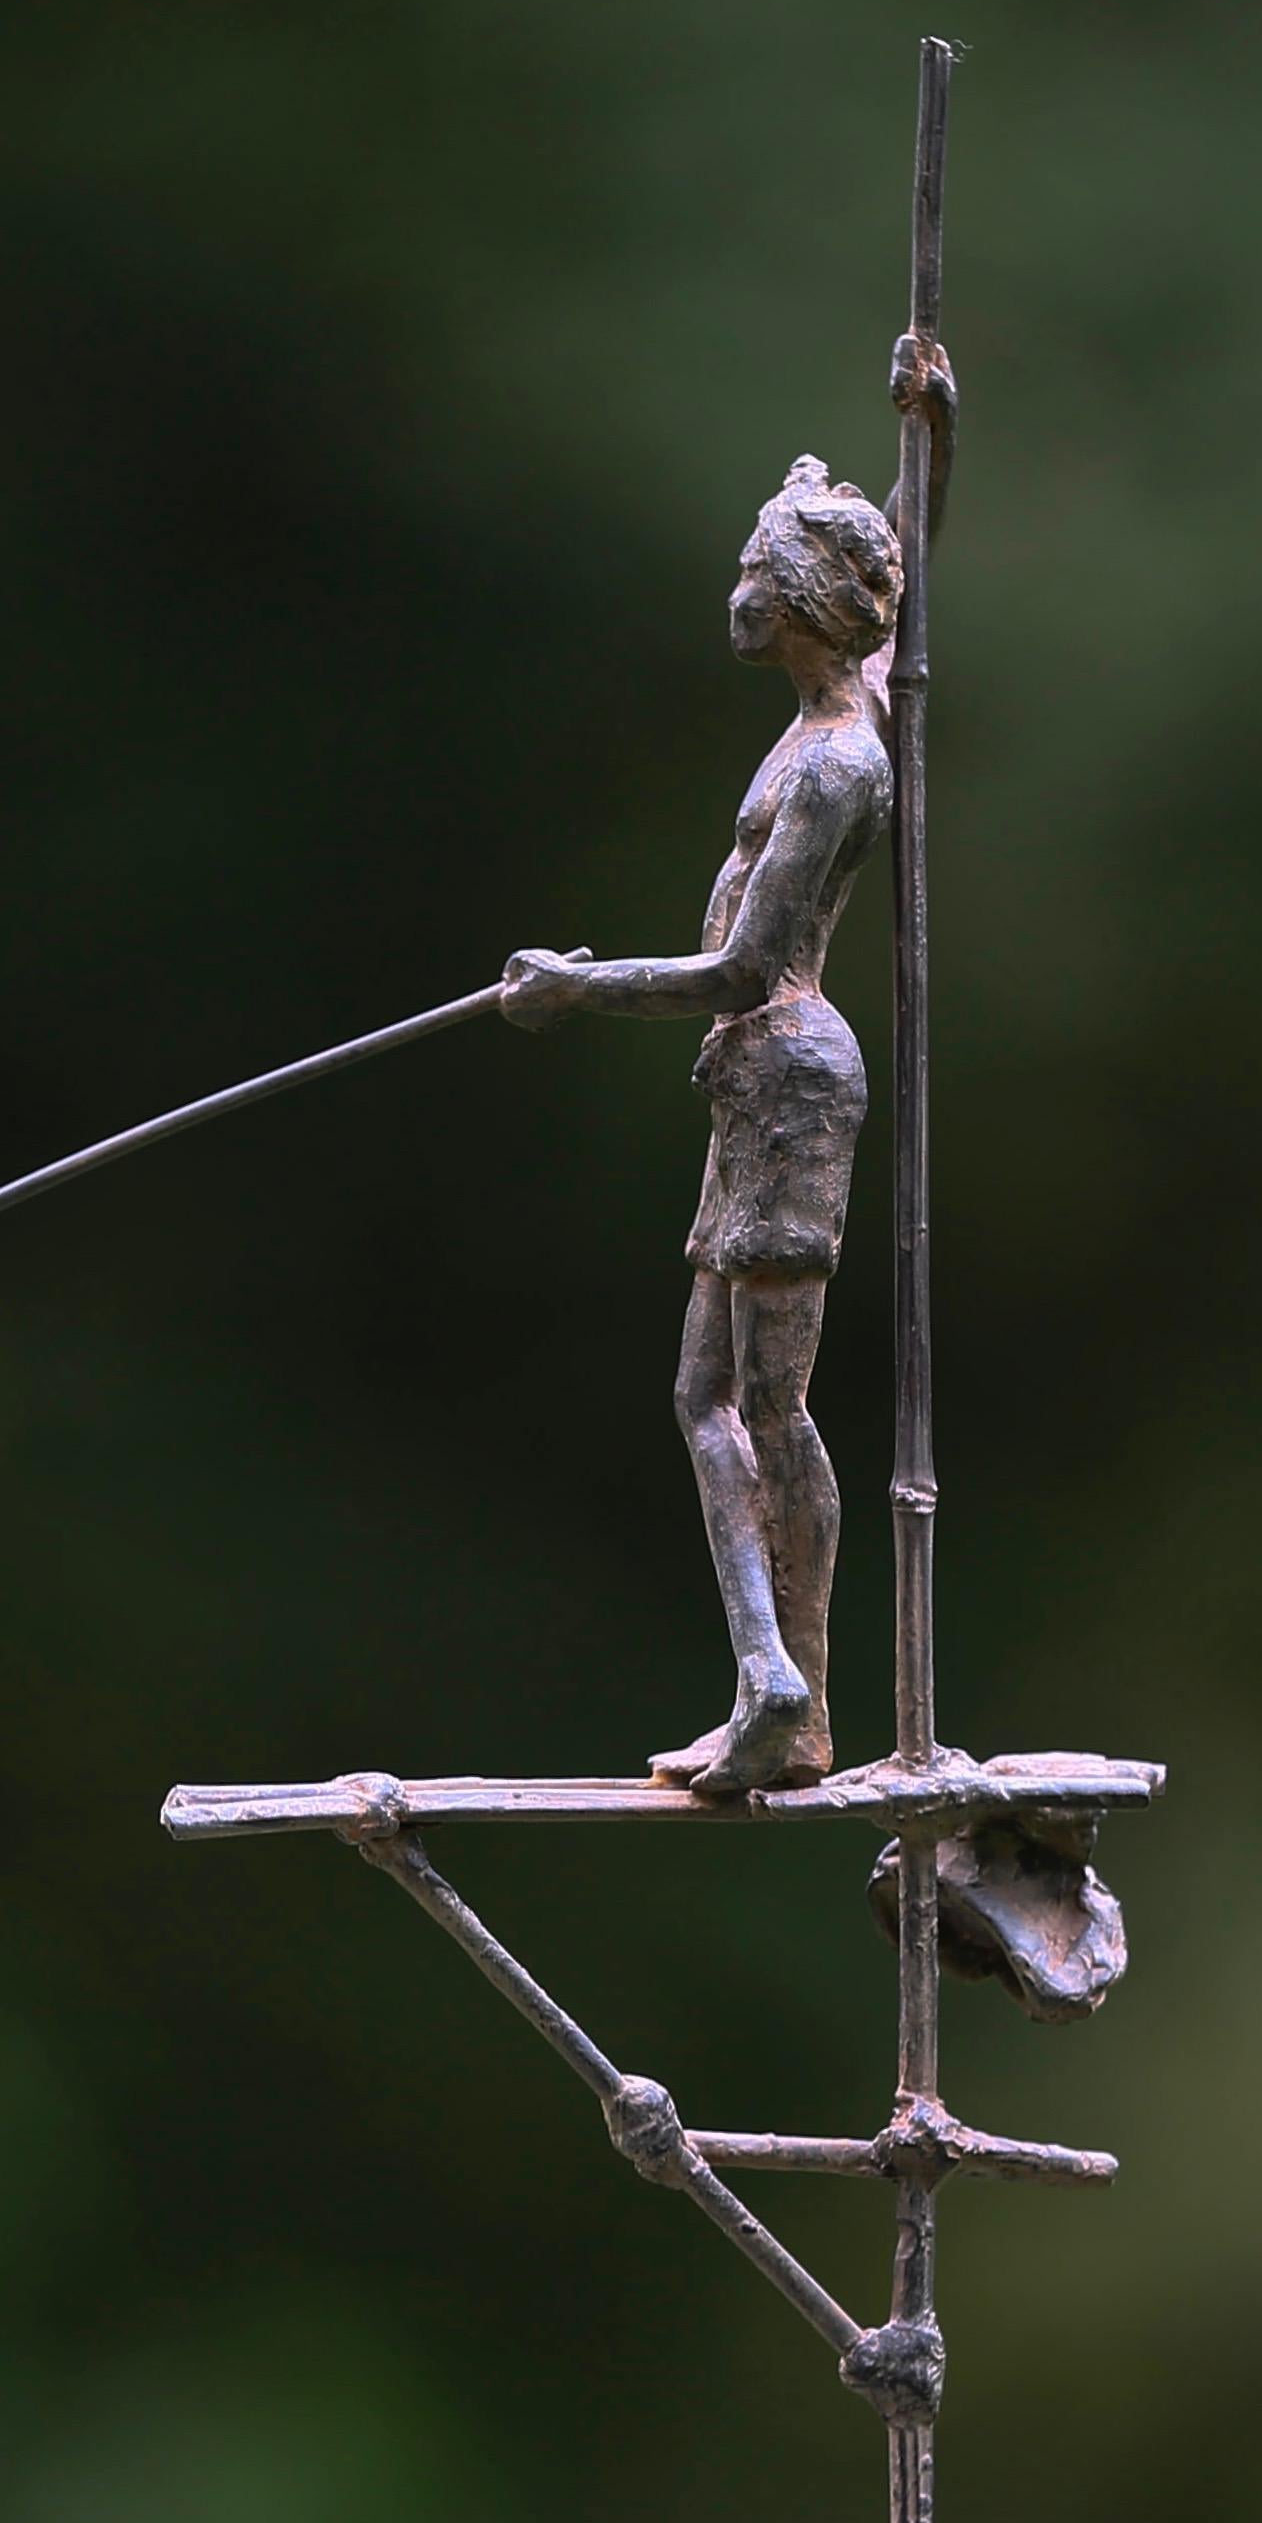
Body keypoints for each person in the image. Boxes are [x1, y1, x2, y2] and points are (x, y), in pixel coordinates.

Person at [503, 456, 901, 1794]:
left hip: (785, 1071)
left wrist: (577, 986)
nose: (733, 594)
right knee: (704, 1393)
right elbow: (894, 625)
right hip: (751, 1084)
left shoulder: (839, 765)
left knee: (767, 1405)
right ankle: (768, 1680)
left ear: (800, 600)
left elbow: (742, 968)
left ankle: (789, 1693)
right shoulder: (834, 716)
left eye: (754, 574)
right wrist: (910, 433)